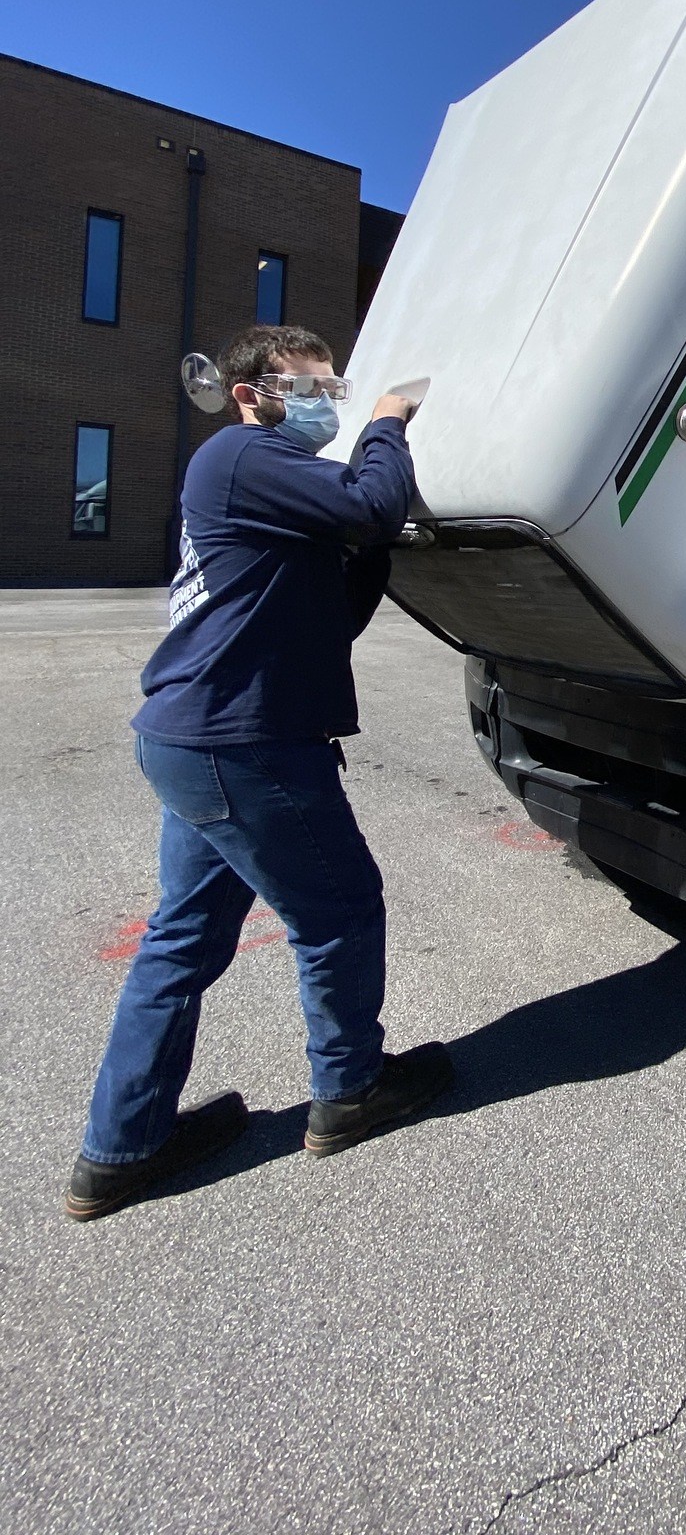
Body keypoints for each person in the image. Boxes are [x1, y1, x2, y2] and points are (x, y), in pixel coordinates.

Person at [67, 324, 451, 1221]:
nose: (330, 405)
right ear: (254, 392)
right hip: (243, 747)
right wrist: (390, 422)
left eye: (338, 391)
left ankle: (120, 1149)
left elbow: (329, 606)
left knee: (183, 941)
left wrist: (368, 550)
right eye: (313, 389)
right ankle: (351, 1092)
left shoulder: (265, 482)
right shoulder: (244, 453)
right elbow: (368, 503)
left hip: (200, 742)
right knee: (339, 914)